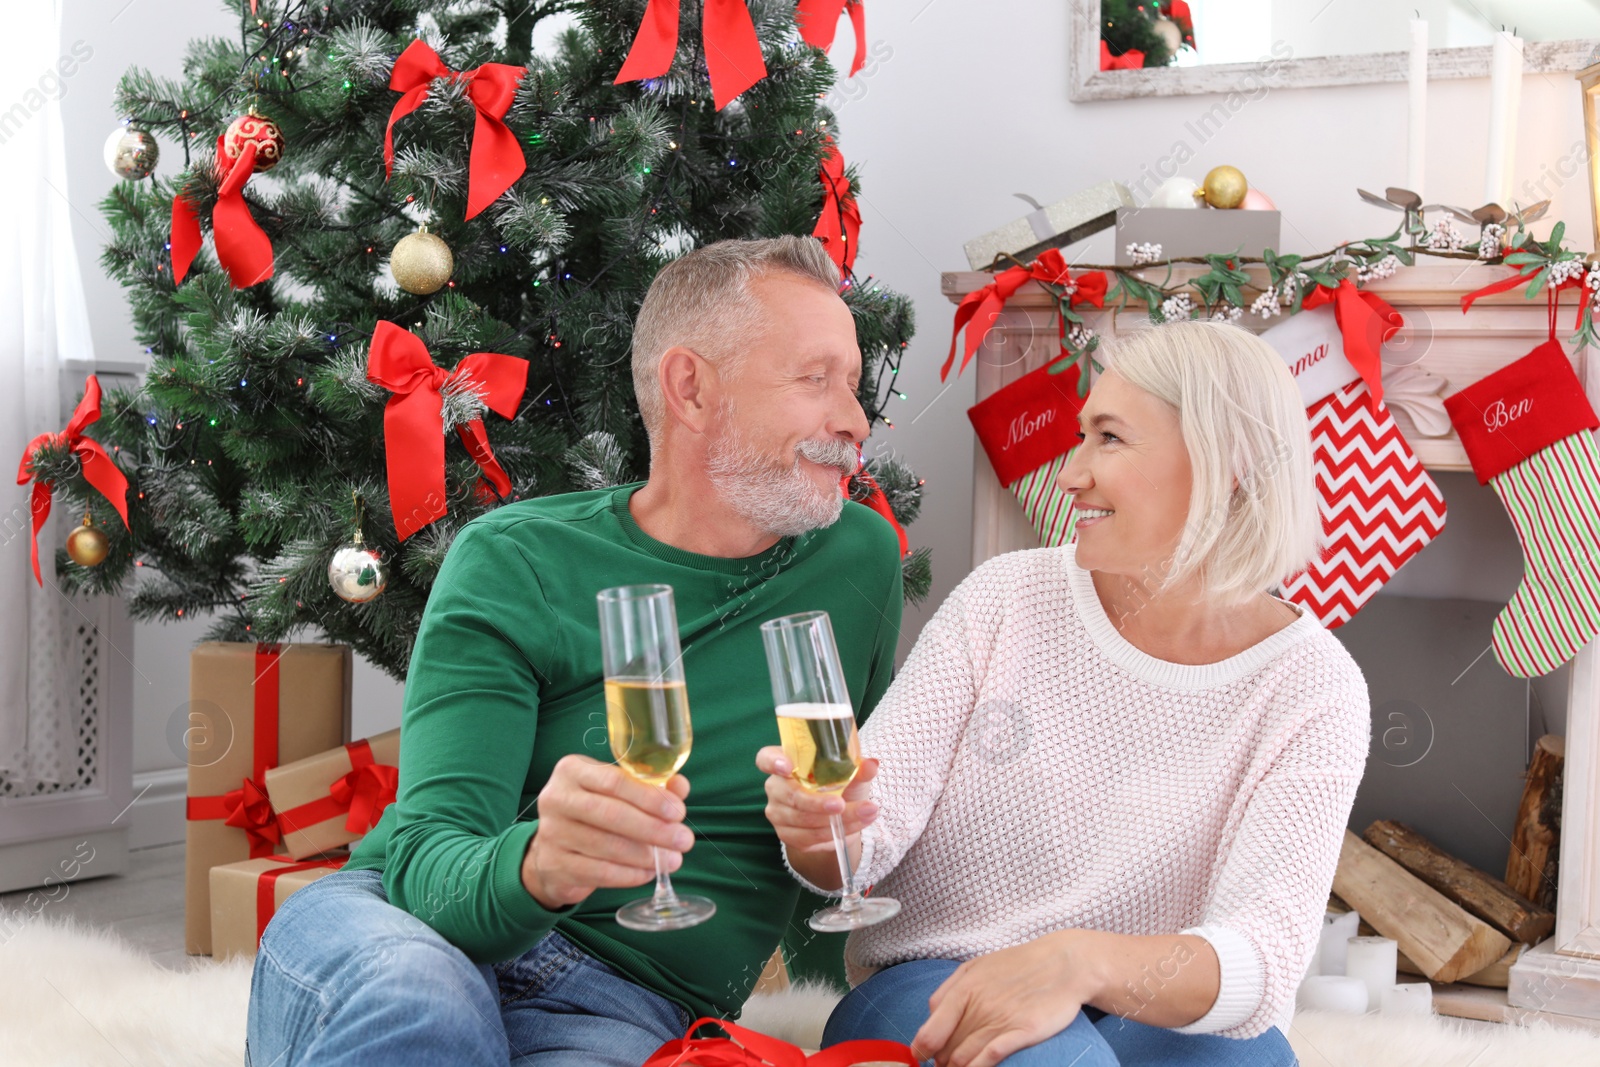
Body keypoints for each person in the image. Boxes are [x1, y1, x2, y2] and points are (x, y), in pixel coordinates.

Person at [246, 236, 905, 1067]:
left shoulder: (860, 560)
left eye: (852, 382)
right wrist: (538, 866)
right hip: (404, 932)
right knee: (426, 1013)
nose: (854, 420)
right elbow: (424, 861)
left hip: (622, 1001)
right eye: (816, 379)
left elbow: (841, 848)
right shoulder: (517, 560)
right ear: (691, 388)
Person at [761, 320, 1371, 1067]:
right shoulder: (1007, 598)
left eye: (1109, 439)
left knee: (1251, 1060)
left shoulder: (1312, 684)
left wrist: (1077, 961)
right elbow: (864, 842)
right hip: (930, 978)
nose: (1070, 472)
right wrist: (822, 832)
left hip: (1138, 1000)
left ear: (1228, 463)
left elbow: (1264, 955)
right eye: (1081, 436)